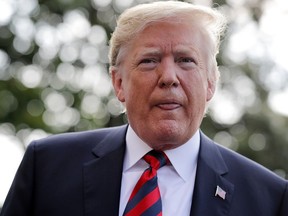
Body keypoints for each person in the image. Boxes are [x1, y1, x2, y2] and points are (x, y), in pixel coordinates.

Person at [1, 1, 287, 216]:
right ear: (119, 83)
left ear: (211, 82)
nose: (169, 77)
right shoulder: (47, 168)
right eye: (149, 60)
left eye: (186, 60)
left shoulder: (269, 199)